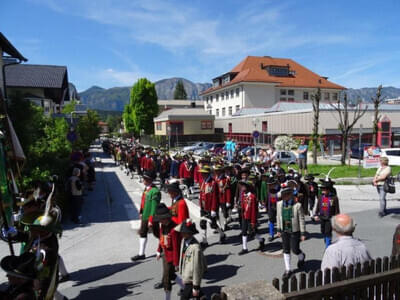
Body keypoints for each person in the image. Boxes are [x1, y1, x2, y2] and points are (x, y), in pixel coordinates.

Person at [276, 183, 306, 279]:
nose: (285, 196)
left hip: (295, 231)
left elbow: (301, 219)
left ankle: (301, 256)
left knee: (295, 249)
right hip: (284, 230)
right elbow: (278, 217)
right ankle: (288, 269)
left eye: (287, 194)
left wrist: (303, 233)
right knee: (286, 249)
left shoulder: (297, 205)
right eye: (283, 194)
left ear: (291, 195)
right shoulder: (279, 204)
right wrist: (279, 229)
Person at [153, 204, 181, 300]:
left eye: (161, 219)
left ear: (166, 218)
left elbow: (177, 248)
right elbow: (161, 239)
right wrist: (158, 250)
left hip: (172, 257)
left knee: (167, 278)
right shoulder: (162, 226)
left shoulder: (174, 230)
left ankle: (167, 297)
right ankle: (186, 288)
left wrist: (176, 263)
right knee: (171, 275)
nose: (160, 221)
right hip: (165, 255)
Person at [131, 171, 161, 261]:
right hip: (145, 216)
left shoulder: (155, 191)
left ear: (149, 180)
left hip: (151, 217)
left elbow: (154, 207)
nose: (143, 180)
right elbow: (143, 201)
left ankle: (167, 246)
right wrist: (141, 212)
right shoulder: (147, 189)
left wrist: (151, 220)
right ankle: (141, 253)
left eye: (144, 179)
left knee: (158, 234)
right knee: (143, 232)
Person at [175, 219, 207, 300]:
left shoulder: (195, 248)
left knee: (184, 297)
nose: (181, 233)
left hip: (191, 278)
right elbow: (183, 258)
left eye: (183, 232)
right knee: (198, 295)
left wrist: (196, 286)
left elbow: (197, 268)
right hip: (186, 275)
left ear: (189, 233)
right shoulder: (184, 241)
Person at [238, 180, 265, 255]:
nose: (242, 187)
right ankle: (244, 248)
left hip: (250, 218)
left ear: (247, 187)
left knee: (252, 233)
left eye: (244, 186)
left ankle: (261, 240)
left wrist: (253, 221)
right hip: (244, 216)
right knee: (244, 232)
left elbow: (253, 210)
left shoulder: (252, 197)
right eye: (242, 185)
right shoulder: (243, 195)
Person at [315, 179, 340, 248]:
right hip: (322, 217)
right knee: (323, 231)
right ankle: (327, 240)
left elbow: (337, 209)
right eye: (322, 189)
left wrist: (337, 218)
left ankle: (328, 246)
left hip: (330, 217)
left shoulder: (334, 198)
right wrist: (316, 214)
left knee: (328, 232)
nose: (323, 191)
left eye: (324, 189)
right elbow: (318, 206)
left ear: (328, 190)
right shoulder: (320, 197)